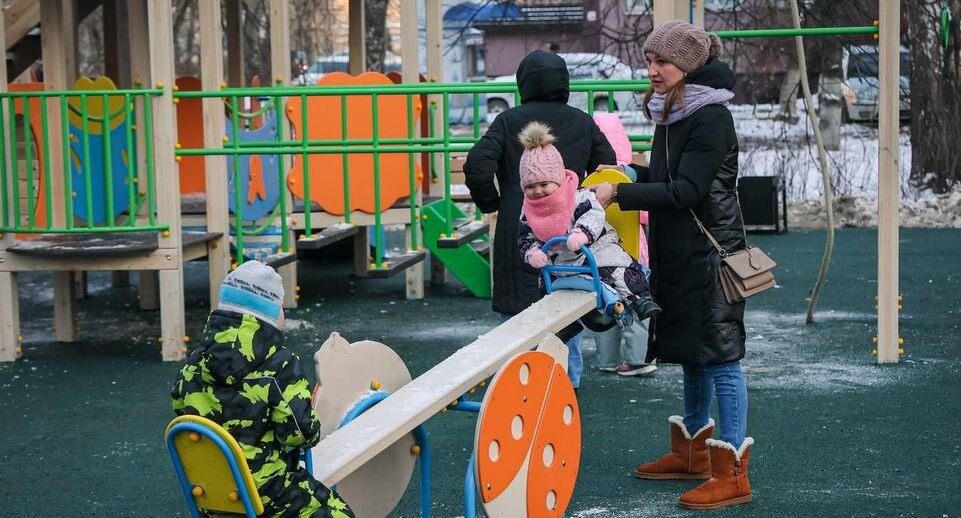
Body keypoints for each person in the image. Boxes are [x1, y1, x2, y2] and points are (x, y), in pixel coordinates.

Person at [592, 20, 753, 510]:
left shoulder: (710, 117)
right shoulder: (674, 111)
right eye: (649, 60)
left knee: (721, 356)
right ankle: (692, 455)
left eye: (661, 61)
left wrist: (621, 192)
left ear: (686, 65)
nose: (651, 70)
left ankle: (733, 473)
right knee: (691, 351)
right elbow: (668, 176)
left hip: (711, 255)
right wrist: (627, 172)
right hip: (682, 253)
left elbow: (687, 190)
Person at [464, 49, 616, 390]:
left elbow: (477, 164)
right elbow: (607, 170)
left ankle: (512, 390)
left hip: (518, 228)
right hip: (567, 234)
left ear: (523, 84)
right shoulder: (581, 121)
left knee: (515, 318)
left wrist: (493, 203)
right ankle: (565, 392)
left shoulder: (507, 121)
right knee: (565, 313)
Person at [171, 261, 354, 518]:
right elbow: (300, 435)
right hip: (266, 492)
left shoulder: (194, 363)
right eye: (281, 307)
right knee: (337, 512)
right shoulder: (280, 365)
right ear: (270, 313)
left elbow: (182, 413)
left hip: (212, 492)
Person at [515, 121, 660, 325]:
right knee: (545, 284)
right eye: (530, 187)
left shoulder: (578, 197)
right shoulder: (529, 209)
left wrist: (582, 232)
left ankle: (640, 299)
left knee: (618, 270)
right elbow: (525, 235)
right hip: (559, 260)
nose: (537, 191)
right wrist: (532, 252)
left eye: (544, 184)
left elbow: (594, 213)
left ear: (557, 180)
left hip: (595, 250)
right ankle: (562, 324)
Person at [591, 112, 657, 377]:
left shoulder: (591, 180)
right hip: (633, 251)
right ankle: (638, 358)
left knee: (605, 301)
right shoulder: (629, 178)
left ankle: (607, 359)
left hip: (600, 253)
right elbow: (647, 213)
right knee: (637, 299)